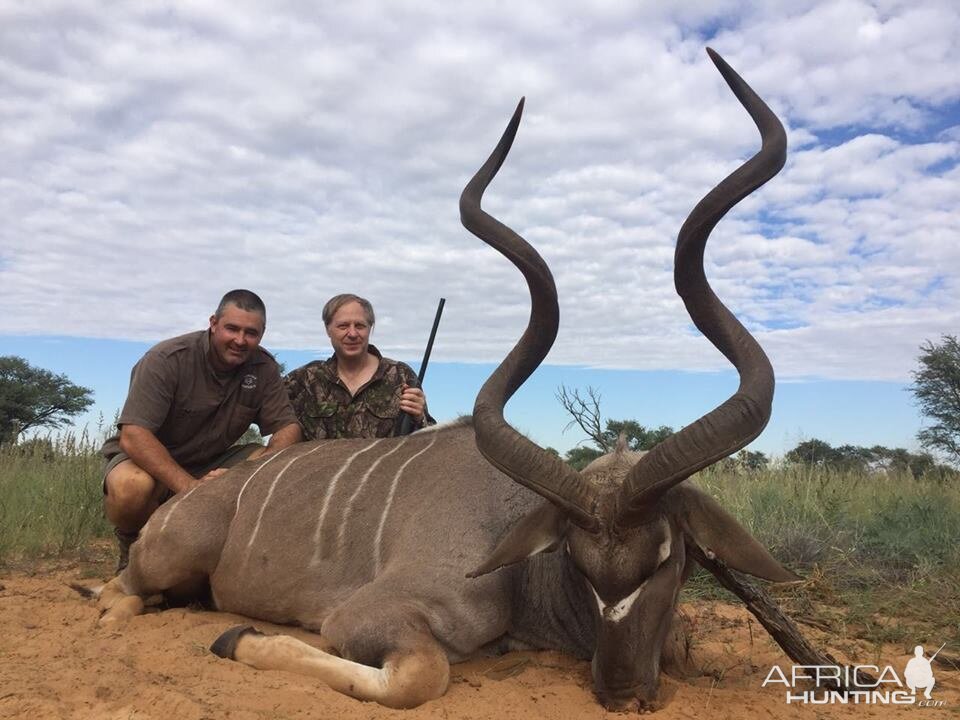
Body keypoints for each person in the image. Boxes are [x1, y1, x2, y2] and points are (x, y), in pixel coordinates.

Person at [101, 289, 302, 571]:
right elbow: (134, 435)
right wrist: (191, 489)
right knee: (130, 487)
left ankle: (225, 559)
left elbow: (287, 427)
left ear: (262, 333)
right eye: (232, 328)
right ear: (213, 322)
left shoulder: (263, 367)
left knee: (264, 459)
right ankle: (132, 549)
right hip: (150, 462)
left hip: (212, 462)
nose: (240, 340)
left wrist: (244, 473)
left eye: (251, 333)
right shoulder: (167, 359)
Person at [284, 293, 434, 440]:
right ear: (328, 329)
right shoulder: (304, 379)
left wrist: (420, 417)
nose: (352, 333)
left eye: (360, 325)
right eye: (343, 326)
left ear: (370, 328)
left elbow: (429, 441)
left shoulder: (401, 375)